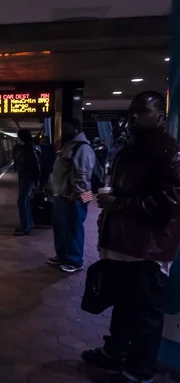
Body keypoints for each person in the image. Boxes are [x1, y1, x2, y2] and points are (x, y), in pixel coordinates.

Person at [82, 91, 180, 383]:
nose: (134, 117)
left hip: (148, 248)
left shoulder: (169, 151)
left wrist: (118, 205)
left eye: (142, 111)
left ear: (160, 115)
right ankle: (115, 353)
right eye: (132, 112)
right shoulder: (133, 149)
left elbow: (169, 204)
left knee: (146, 314)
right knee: (124, 303)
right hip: (125, 243)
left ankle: (140, 371)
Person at [47, 118, 95, 272]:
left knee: (74, 227)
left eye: (66, 128)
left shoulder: (82, 148)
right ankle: (62, 255)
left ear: (76, 129)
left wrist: (78, 194)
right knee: (60, 226)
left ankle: (75, 261)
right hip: (62, 194)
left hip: (76, 196)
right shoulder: (69, 146)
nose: (63, 132)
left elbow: (83, 174)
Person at [13, 129, 40, 236]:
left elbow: (32, 167)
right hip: (27, 178)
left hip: (27, 178)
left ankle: (25, 227)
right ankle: (29, 224)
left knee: (22, 201)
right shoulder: (30, 148)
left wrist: (36, 181)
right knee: (25, 201)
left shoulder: (27, 150)